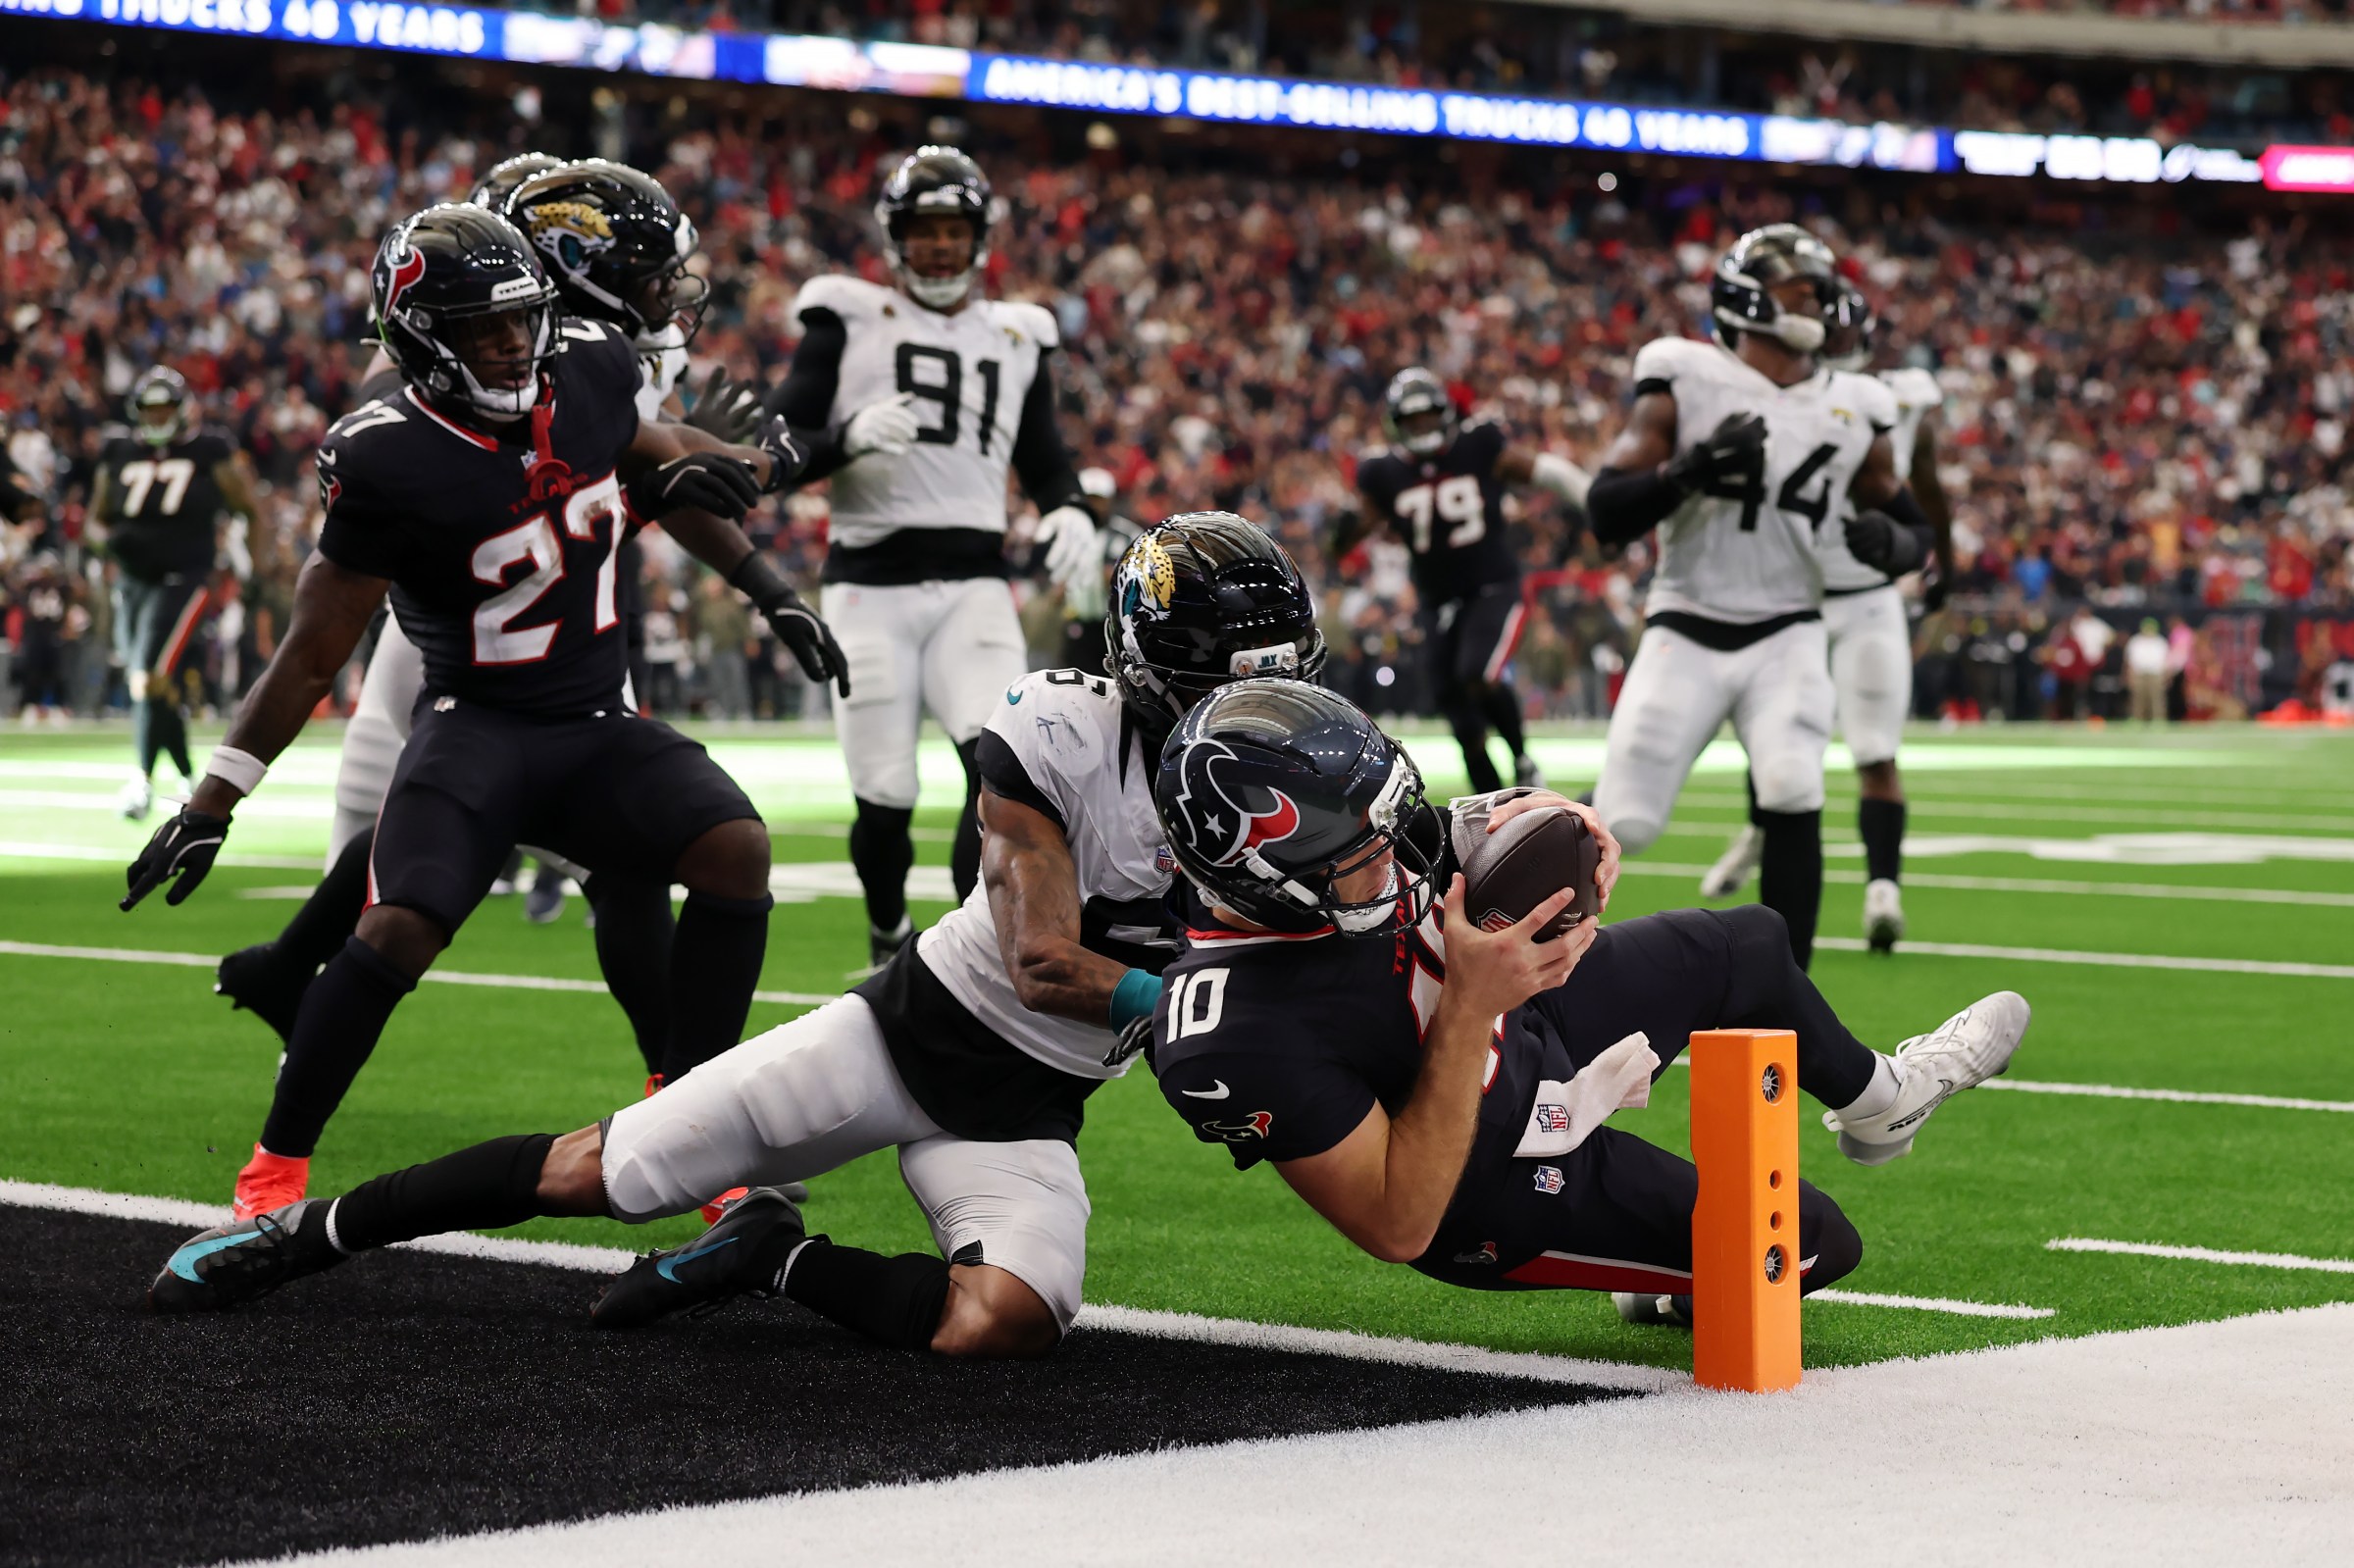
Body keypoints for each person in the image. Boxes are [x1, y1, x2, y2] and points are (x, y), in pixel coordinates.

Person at [143, 513, 1323, 1363]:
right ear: (1144, 664)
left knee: (1005, 1322)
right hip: (906, 1038)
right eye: (1220, 684)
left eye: (1270, 687)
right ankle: (309, 1233)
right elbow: (1045, 962)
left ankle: (771, 1256)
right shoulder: (1058, 725)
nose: (1247, 719)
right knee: (595, 1173)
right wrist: (1197, 1012)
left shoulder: (1301, 766)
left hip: (1028, 1112)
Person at [121, 203, 846, 1221]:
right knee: (399, 926)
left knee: (735, 848)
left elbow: (662, 455)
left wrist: (773, 548)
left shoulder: (590, 364)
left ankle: (693, 1128)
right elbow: (311, 651)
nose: (511, 344)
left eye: (519, 319)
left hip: (596, 725)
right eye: (479, 327)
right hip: (477, 726)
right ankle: (272, 1169)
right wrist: (212, 802)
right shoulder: (386, 453)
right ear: (420, 336)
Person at [1148, 680, 2029, 1326]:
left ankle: (1884, 1101)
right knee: (1808, 1243)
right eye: (1362, 859)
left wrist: (1555, 827)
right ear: (1263, 886)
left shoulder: (1333, 843)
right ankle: (1655, 1277)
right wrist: (1469, 1005)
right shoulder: (1228, 1029)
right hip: (1487, 1182)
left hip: (1514, 1020)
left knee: (1751, 945)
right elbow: (1399, 1219)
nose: (1395, 859)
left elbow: (1437, 833)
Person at [213, 160, 778, 1114]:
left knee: (617, 861)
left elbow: (640, 473)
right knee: (398, 837)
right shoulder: (444, 355)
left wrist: (743, 485)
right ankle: (303, 1034)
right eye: (643, 272)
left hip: (568, 622)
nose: (662, 293)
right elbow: (469, 471)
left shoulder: (587, 348)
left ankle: (678, 1092)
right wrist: (217, 792)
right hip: (455, 624)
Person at [768, 146, 1098, 973]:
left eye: (955, 230)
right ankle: (886, 934)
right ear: (895, 239)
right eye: (925, 231)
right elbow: (771, 451)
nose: (941, 247)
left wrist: (1072, 507)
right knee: (885, 798)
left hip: (976, 587)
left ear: (980, 237)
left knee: (1001, 776)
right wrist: (841, 440)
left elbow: (1046, 455)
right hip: (867, 588)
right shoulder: (846, 317)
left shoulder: (1018, 335)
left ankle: (966, 948)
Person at [1583, 226, 1933, 969]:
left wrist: (1894, 547)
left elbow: (1914, 530)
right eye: (1793, 283)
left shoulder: (1856, 402)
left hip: (1790, 628)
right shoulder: (1686, 374)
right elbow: (1606, 510)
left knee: (1792, 780)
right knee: (1628, 819)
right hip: (1687, 618)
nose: (1811, 294)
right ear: (1746, 295)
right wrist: (1689, 471)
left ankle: (1784, 995)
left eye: (1816, 283)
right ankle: (1529, 987)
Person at [1699, 281, 1951, 953]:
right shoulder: (1775, 397)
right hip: (1793, 597)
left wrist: (1936, 556)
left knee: (1874, 749)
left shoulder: (1892, 400)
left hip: (1867, 596)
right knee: (1775, 747)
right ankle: (1759, 837)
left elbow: (1923, 487)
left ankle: (1882, 889)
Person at [1334, 368, 1591, 794]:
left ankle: (1522, 758)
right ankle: (1494, 802)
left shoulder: (1478, 444)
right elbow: (1344, 540)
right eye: (1412, 421)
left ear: (1447, 413)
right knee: (1459, 717)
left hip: (1492, 585)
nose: (1422, 427)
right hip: (1437, 602)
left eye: (1429, 417)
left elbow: (1542, 470)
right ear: (1396, 425)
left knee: (1478, 673)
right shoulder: (1383, 474)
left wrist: (1590, 497)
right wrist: (1339, 533)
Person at [86, 367, 261, 820]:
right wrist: (105, 541)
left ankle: (142, 782)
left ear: (182, 410)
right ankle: (186, 777)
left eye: (165, 407)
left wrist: (251, 567)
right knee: (152, 685)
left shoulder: (209, 449)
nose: (158, 416)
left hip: (186, 578)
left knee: (149, 677)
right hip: (133, 580)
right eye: (150, 409)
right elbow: (96, 517)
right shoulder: (119, 450)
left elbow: (247, 507)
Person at [2124, 618, 2170, 725]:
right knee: (2138, 699)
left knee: (2157, 698)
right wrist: (2130, 675)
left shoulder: (2160, 641)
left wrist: (2166, 675)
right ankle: (2137, 719)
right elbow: (2130, 661)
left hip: (2156, 674)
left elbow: (2166, 661)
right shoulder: (2135, 641)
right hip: (2139, 674)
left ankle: (2158, 720)